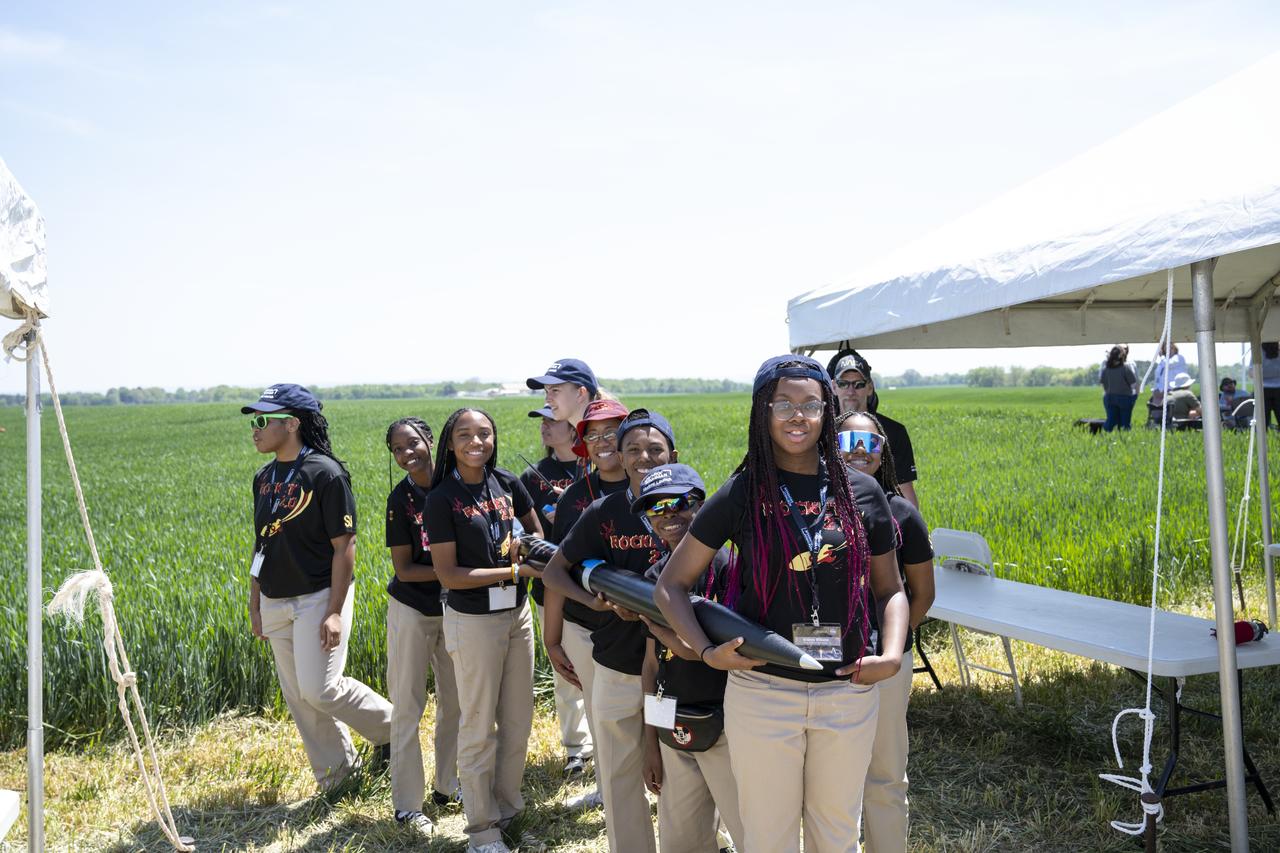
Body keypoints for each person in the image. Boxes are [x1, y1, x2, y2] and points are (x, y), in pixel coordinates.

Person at [655, 355, 908, 853]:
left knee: (836, 834)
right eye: (784, 404)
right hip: (762, 693)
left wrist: (894, 655)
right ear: (762, 412)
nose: (798, 415)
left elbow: (891, 589)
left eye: (811, 404)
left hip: (846, 691)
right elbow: (671, 586)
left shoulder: (863, 492)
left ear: (826, 411)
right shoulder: (742, 492)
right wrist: (707, 651)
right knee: (768, 838)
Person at [541, 408, 678, 853]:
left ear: (672, 454)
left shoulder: (690, 503)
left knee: (678, 766)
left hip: (674, 673)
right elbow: (554, 572)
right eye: (633, 449)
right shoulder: (603, 511)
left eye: (654, 449)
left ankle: (700, 841)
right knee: (619, 776)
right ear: (619, 455)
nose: (643, 457)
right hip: (617, 665)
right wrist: (595, 601)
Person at [243, 384, 393, 792]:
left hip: (317, 597)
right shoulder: (264, 477)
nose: (253, 429)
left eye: (262, 420)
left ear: (292, 424)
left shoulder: (325, 473)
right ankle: (338, 780)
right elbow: (262, 543)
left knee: (321, 688)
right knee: (299, 697)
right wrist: (256, 602)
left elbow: (345, 545)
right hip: (276, 599)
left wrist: (333, 609)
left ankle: (393, 728)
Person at [425, 408, 544, 853]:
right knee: (478, 725)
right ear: (450, 443)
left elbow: (537, 535)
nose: (476, 441)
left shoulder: (508, 484)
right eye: (464, 435)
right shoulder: (441, 498)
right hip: (473, 621)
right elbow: (449, 575)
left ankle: (509, 812)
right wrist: (512, 572)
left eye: (485, 433)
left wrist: (525, 546)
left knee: (517, 721)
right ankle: (482, 831)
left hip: (517, 617)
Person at [633, 463, 745, 853]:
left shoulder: (732, 566)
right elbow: (651, 663)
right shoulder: (653, 578)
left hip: (730, 723)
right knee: (681, 838)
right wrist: (650, 743)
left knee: (750, 831)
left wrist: (667, 633)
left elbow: (712, 650)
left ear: (702, 506)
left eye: (679, 503)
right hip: (674, 719)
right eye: (655, 508)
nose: (668, 515)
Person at [837, 412, 934, 853]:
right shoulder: (812, 509)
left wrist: (888, 647)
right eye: (849, 439)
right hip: (829, 665)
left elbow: (922, 595)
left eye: (871, 442)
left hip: (887, 667)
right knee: (833, 777)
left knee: (886, 774)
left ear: (883, 452)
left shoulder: (903, 516)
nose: (860, 450)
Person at [539, 397, 631, 811]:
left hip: (643, 625)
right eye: (592, 435)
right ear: (583, 446)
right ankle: (608, 793)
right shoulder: (575, 497)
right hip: (585, 626)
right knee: (601, 712)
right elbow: (555, 569)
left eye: (612, 431)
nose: (602, 441)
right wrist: (554, 638)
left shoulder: (653, 485)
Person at [383, 417, 461, 834]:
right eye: (397, 449)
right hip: (412, 610)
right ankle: (408, 805)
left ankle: (448, 786)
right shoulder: (401, 500)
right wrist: (456, 570)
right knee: (408, 706)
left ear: (431, 440)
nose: (406, 453)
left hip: (457, 611)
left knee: (456, 702)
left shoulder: (455, 486)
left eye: (412, 442)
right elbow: (404, 569)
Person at [826, 349, 919, 508]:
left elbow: (905, 491)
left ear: (869, 388)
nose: (851, 391)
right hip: (835, 515)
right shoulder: (823, 432)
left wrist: (913, 527)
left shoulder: (894, 432)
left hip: (881, 514)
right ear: (834, 387)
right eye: (843, 383)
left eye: (859, 384)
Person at [1098, 345, 1138, 431]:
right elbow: (1133, 385)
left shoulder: (1105, 369)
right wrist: (1134, 397)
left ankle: (1103, 435)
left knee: (1111, 421)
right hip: (1125, 398)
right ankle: (1124, 440)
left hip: (1109, 398)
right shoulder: (1126, 368)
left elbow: (1103, 385)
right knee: (1125, 424)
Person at [1263, 342, 1280, 429]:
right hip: (1273, 388)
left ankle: (1261, 440)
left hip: (1263, 388)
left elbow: (1252, 372)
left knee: (1263, 421)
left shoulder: (1259, 352)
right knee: (1263, 420)